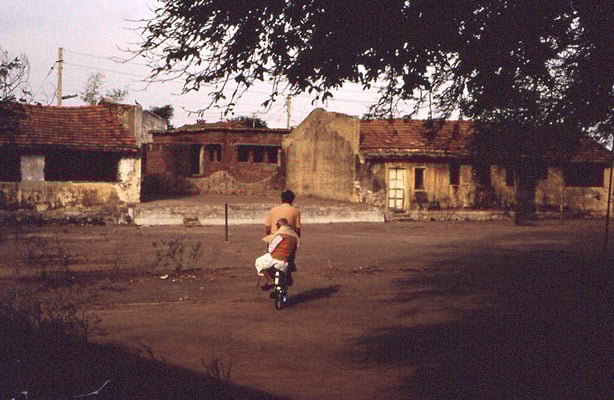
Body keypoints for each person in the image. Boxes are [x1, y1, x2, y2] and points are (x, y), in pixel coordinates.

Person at [255, 218, 300, 290]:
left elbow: (272, 247)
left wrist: (269, 251)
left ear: (279, 226)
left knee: (259, 262)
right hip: (286, 261)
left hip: (276, 258)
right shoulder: (294, 236)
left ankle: (270, 281)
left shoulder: (280, 234)